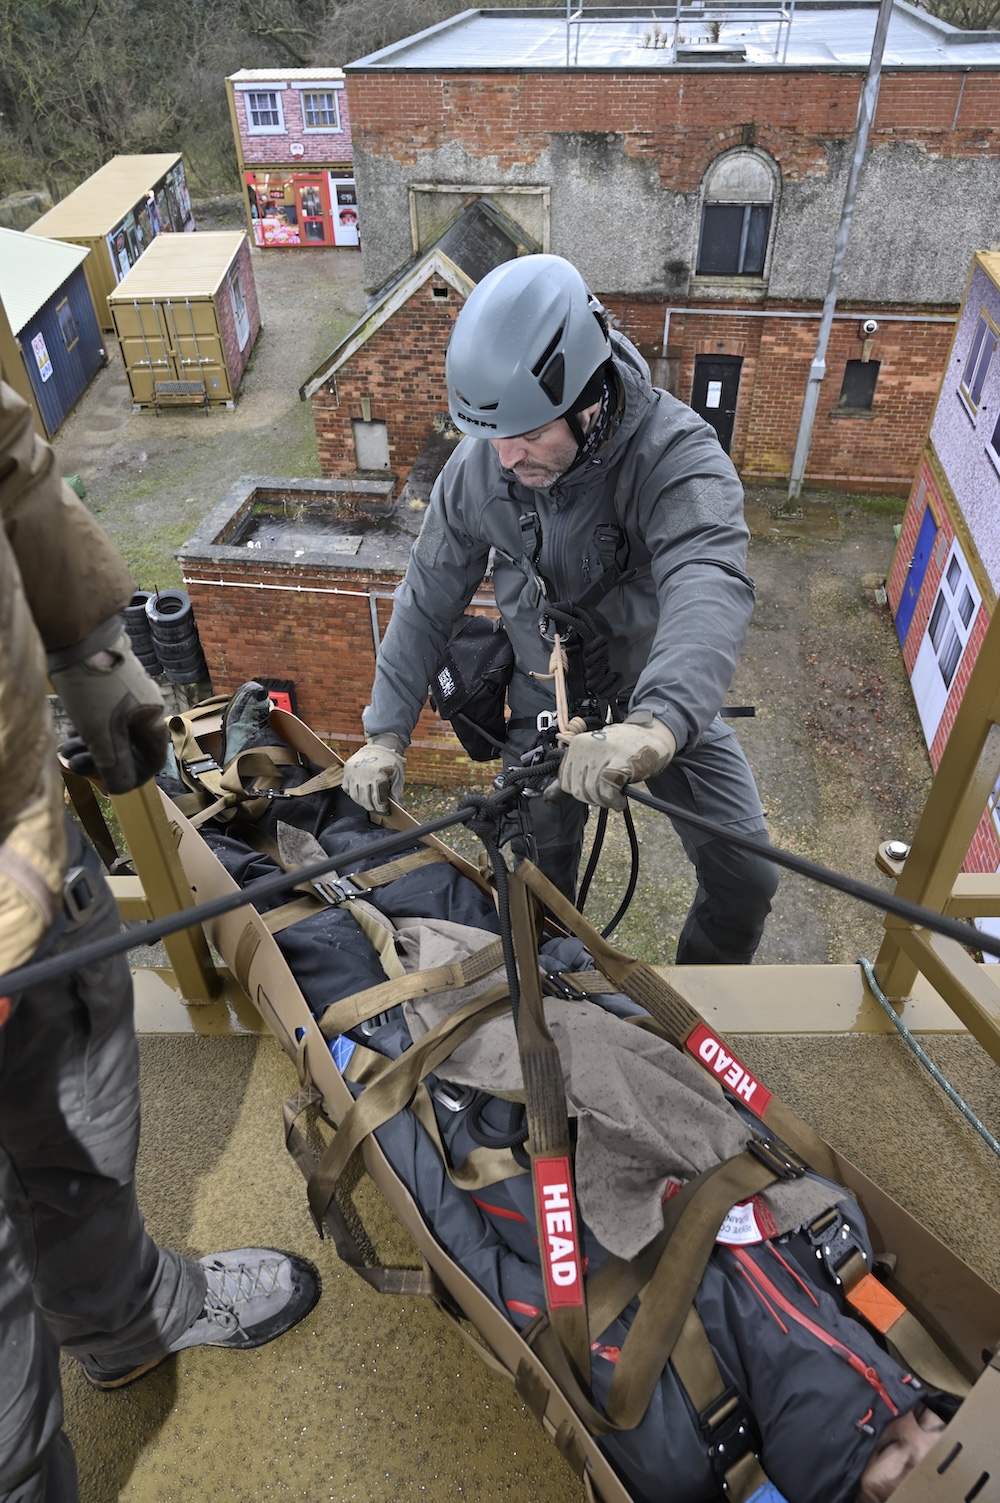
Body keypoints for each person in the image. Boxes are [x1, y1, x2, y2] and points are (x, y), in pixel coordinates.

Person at [0, 372, 320, 1503]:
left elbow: (7, 452)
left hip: (23, 853)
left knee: (76, 1119)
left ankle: (123, 1322)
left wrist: (91, 651)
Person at [343, 252, 777, 964]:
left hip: (652, 694)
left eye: (529, 434)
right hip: (543, 701)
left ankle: (697, 1006)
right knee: (529, 886)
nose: (507, 458)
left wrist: (660, 725)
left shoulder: (676, 458)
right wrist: (385, 732)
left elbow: (708, 578)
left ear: (589, 400)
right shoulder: (482, 468)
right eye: (494, 436)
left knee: (747, 877)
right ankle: (547, 997)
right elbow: (426, 596)